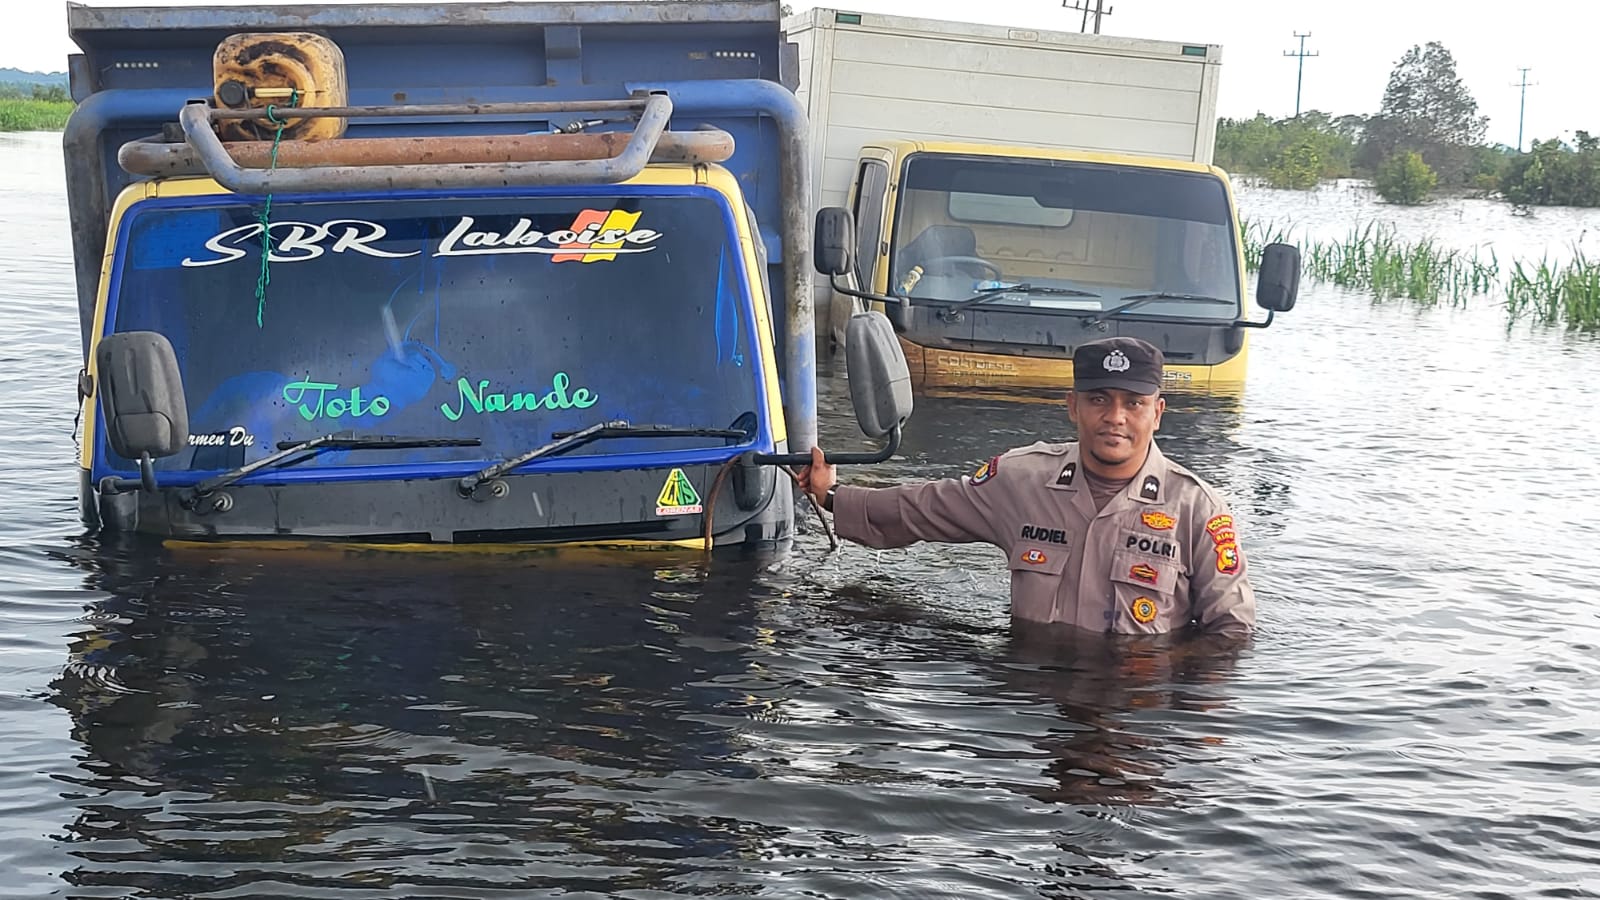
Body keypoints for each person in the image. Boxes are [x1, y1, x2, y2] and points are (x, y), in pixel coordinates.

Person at [797, 336, 1254, 636]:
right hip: (1031, 709)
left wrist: (1176, 711)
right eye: (1099, 400)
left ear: (1157, 413)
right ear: (1072, 406)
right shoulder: (1023, 480)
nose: (1115, 417)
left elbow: (1231, 630)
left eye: (1134, 403)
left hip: (1134, 711)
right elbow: (923, 507)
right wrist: (833, 496)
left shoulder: (1196, 508)